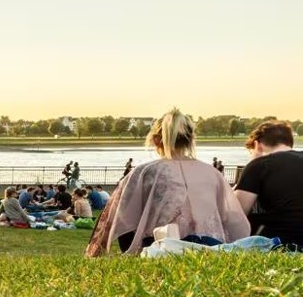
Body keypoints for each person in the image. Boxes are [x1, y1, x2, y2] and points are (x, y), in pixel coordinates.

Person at [86, 108, 249, 257]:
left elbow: (114, 216)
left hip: (162, 247)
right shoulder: (213, 174)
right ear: (190, 140)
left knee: (129, 215)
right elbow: (235, 221)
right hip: (211, 248)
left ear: (156, 140)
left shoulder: (145, 172)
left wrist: (93, 252)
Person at [234, 120, 303, 249]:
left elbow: (237, 213)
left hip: (282, 239)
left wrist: (254, 162)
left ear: (257, 145)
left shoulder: (260, 165)